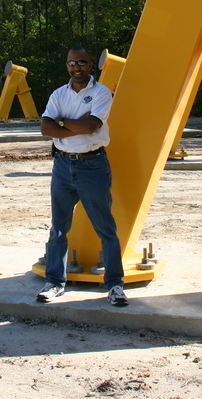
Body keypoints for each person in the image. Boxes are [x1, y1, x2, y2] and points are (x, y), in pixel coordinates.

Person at [37, 46, 128, 307]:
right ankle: (54, 283)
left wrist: (62, 123)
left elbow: (91, 127)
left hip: (93, 166)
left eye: (82, 63)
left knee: (105, 228)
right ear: (67, 65)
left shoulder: (101, 93)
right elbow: (45, 128)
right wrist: (71, 123)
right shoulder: (58, 94)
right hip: (63, 167)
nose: (76, 67)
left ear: (91, 66)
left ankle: (114, 285)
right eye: (72, 63)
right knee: (58, 228)